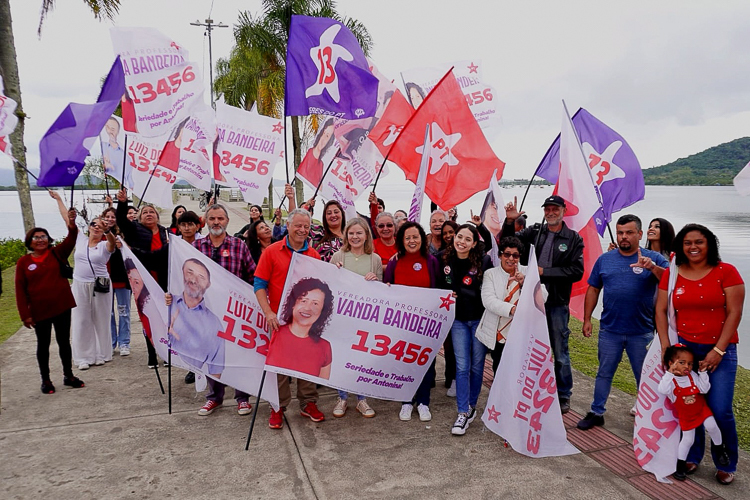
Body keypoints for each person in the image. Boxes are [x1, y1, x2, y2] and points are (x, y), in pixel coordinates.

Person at [655, 223, 744, 485]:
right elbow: (660, 310)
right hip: (686, 352)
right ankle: (692, 456)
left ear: (710, 244)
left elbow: (735, 313)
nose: (693, 247)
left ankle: (726, 461)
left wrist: (718, 350)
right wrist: (664, 346)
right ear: (680, 246)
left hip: (721, 351)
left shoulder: (726, 272)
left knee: (720, 408)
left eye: (699, 242)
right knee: (689, 405)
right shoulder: (672, 274)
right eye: (687, 243)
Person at [576, 215, 668, 430]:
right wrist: (587, 318)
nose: (624, 237)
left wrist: (652, 268)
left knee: (644, 376)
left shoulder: (653, 258)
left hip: (642, 331)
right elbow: (593, 288)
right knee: (604, 372)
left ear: (639, 234)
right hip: (610, 329)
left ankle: (649, 414)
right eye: (620, 233)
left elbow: (671, 281)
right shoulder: (605, 259)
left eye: (628, 232)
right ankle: (596, 412)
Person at [501, 195, 584, 413]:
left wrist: (544, 272)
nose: (551, 212)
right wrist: (510, 222)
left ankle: (563, 394)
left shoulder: (573, 238)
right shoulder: (535, 232)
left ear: (564, 210)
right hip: (529, 301)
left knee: (560, 351)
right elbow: (507, 244)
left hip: (556, 303)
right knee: (528, 348)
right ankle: (531, 388)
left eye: (555, 208)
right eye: (547, 208)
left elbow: (576, 271)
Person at [254, 209, 324, 429]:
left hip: (305, 322)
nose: (303, 230)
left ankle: (308, 403)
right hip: (280, 321)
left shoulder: (313, 255)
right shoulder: (272, 251)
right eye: (298, 226)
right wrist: (268, 312)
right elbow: (259, 285)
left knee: (307, 363)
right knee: (280, 368)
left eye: (306, 226)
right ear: (288, 225)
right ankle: (278, 406)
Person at [15, 191, 84, 393]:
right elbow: (20, 290)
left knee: (64, 342)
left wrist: (72, 222)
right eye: (36, 237)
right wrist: (24, 314)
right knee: (43, 345)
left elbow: (72, 237)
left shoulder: (57, 253)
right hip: (39, 310)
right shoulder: (23, 263)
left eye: (43, 236)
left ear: (48, 239)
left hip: (62, 306)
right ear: (30, 241)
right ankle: (45, 380)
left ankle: (68, 375)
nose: (40, 240)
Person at [192, 204, 256, 416]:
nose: (216, 222)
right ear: (206, 221)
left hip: (234, 312)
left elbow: (252, 276)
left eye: (220, 218)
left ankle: (242, 397)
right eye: (212, 219)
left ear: (227, 221)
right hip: (206, 313)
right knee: (212, 355)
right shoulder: (196, 246)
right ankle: (214, 397)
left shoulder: (239, 245)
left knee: (238, 355)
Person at [438, 224, 493, 435]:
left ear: (474, 243)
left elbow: (490, 290)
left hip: (479, 320)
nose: (461, 241)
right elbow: (438, 287)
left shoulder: (484, 261)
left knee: (477, 367)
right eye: (459, 236)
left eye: (467, 239)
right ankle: (462, 412)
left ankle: (471, 407)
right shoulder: (444, 259)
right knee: (462, 366)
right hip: (458, 321)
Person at [383, 221, 440, 422]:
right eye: (407, 237)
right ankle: (406, 401)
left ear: (422, 239)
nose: (412, 241)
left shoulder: (431, 261)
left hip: (425, 324)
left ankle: (423, 402)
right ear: (401, 240)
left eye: (415, 237)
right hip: (402, 324)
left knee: (424, 362)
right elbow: (386, 288)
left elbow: (437, 291)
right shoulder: (395, 262)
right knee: (403, 363)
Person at [329, 219, 383, 418]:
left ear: (366, 235)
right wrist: (335, 272)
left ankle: (362, 399)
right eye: (351, 233)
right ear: (346, 235)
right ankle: (342, 398)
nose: (355, 237)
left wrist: (375, 281)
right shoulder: (338, 256)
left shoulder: (374, 259)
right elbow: (328, 286)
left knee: (361, 359)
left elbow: (382, 291)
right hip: (342, 318)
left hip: (365, 319)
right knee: (342, 359)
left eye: (359, 233)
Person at [658, 344, 730, 481]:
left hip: (702, 409)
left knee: (712, 426)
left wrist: (702, 373)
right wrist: (669, 373)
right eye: (682, 363)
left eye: (690, 364)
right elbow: (662, 390)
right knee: (688, 440)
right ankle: (680, 466)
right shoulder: (670, 381)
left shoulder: (692, 375)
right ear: (671, 363)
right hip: (687, 416)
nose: (687, 367)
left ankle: (720, 450)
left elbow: (704, 389)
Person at [116, 189, 169, 368]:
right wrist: (122, 203)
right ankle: (152, 354)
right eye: (144, 212)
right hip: (143, 281)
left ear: (157, 216)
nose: (148, 214)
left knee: (165, 317)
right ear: (139, 217)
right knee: (148, 316)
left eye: (151, 212)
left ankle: (167, 352)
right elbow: (121, 220)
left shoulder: (165, 233)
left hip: (163, 280)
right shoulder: (135, 229)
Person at [479, 237, 531, 373]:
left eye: (515, 255)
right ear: (500, 255)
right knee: (499, 369)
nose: (511, 259)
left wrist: (525, 282)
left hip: (521, 331)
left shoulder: (527, 272)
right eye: (507, 254)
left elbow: (542, 297)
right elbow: (488, 300)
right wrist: (512, 309)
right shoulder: (490, 274)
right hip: (499, 332)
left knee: (518, 371)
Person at [165, 259, 226, 377]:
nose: (193, 280)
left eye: (201, 277)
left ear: (208, 284)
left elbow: (216, 370)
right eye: (189, 273)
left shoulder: (214, 323)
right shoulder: (168, 304)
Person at [265, 277, 334, 379]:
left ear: (322, 311)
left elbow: (320, 383)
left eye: (315, 303)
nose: (307, 308)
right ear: (293, 303)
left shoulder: (324, 347)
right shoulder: (277, 333)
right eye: (303, 301)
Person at [71, 217, 115, 369]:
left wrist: (108, 230)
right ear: (88, 227)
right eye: (93, 224)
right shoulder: (80, 240)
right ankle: (83, 356)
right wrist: (58, 199)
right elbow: (67, 220)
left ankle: (100, 353)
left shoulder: (104, 245)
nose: (96, 227)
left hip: (99, 285)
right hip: (80, 284)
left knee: (101, 319)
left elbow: (112, 243)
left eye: (100, 226)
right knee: (81, 320)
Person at [101, 207, 131, 356]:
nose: (110, 219)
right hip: (104, 279)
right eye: (108, 217)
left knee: (123, 311)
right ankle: (111, 342)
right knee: (109, 313)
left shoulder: (122, 235)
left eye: (113, 217)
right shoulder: (99, 235)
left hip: (122, 278)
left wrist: (123, 246)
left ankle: (124, 342)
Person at [297, 118, 335, 186]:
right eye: (324, 133)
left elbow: (319, 188)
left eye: (327, 136)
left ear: (329, 141)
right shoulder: (308, 154)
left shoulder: (321, 165)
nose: (323, 138)